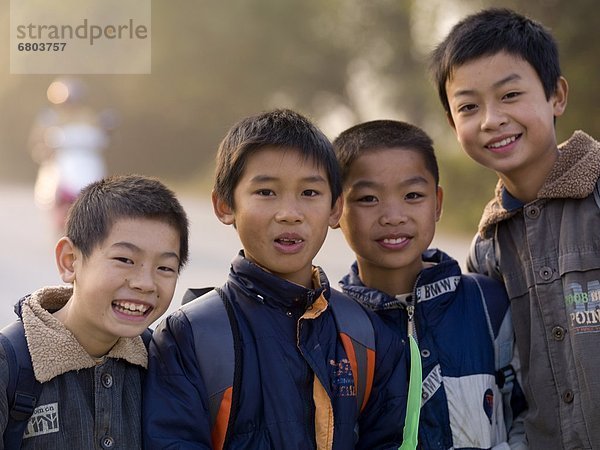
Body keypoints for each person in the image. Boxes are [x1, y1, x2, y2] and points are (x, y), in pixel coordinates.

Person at [143, 109, 409, 449]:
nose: (289, 213)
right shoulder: (189, 336)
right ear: (225, 204)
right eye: (266, 192)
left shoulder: (366, 335)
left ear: (335, 209)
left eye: (310, 193)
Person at [429, 7, 600, 449]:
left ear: (556, 95)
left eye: (509, 96)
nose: (491, 119)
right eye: (468, 106)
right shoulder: (488, 248)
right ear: (453, 122)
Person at [333, 119, 527, 450]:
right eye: (367, 199)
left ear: (437, 203)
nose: (393, 215)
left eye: (412, 195)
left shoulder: (488, 303)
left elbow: (529, 412)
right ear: (335, 208)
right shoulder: (332, 325)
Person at [0, 174, 189, 449]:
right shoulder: (11, 363)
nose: (145, 283)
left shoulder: (161, 359)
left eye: (165, 268)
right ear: (70, 261)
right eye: (125, 260)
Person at [28, 78, 115, 235]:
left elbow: (101, 137)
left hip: (88, 166)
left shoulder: (89, 116)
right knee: (54, 197)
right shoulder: (49, 118)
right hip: (61, 166)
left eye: (73, 99)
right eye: (66, 100)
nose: (70, 103)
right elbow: (38, 142)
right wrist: (43, 152)